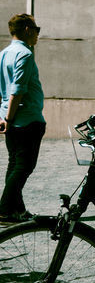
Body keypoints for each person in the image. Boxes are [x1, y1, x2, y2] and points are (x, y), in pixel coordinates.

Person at [0, 14, 45, 224]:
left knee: (14, 165)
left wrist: (4, 117)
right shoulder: (25, 54)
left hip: (10, 118)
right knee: (24, 167)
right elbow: (17, 90)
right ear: (27, 29)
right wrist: (8, 118)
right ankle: (4, 210)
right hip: (26, 119)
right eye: (37, 29)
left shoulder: (4, 54)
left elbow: (3, 89)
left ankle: (17, 210)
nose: (38, 34)